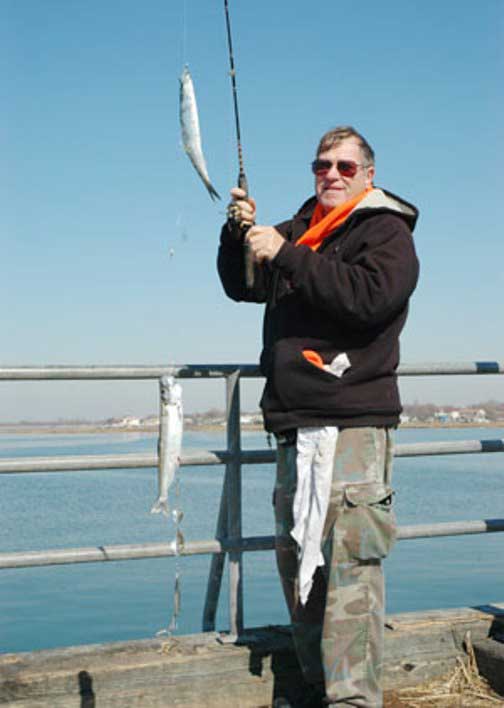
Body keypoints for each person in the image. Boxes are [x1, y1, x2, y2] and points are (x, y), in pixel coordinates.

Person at [217, 126, 419, 707]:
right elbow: (244, 284)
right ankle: (313, 690)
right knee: (297, 564)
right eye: (321, 165)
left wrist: (287, 255)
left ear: (368, 175)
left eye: (344, 167)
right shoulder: (299, 229)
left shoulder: (385, 230)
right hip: (293, 423)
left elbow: (369, 298)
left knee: (351, 572)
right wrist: (237, 234)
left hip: (353, 422)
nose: (330, 174)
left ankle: (353, 702)